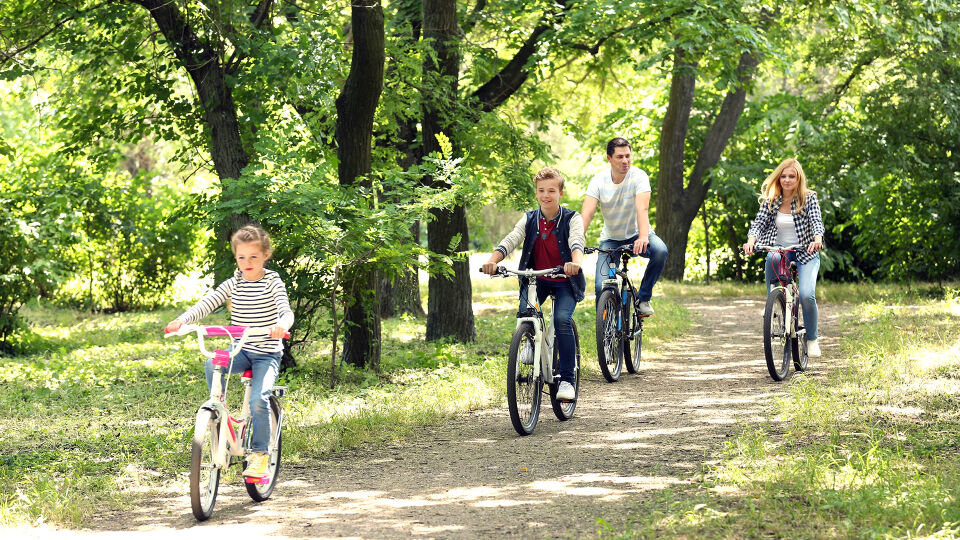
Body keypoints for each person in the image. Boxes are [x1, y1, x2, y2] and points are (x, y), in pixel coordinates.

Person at [165, 225, 294, 477]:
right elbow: (208, 303)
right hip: (240, 349)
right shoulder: (234, 282)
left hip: (266, 353)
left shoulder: (272, 281)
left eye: (253, 257)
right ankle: (219, 412)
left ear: (265, 255)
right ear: (236, 257)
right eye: (241, 257)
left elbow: (285, 309)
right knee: (213, 361)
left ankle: (260, 455)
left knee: (259, 400)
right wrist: (182, 321)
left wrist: (281, 325)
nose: (247, 262)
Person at [482, 168, 586, 401]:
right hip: (536, 278)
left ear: (560, 192)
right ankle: (530, 339)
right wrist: (492, 261)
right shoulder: (529, 218)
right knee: (525, 313)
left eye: (551, 190)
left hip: (564, 279)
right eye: (541, 191)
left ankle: (567, 380)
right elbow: (512, 239)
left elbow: (576, 241)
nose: (546, 195)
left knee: (561, 320)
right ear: (536, 192)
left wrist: (575, 262)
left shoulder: (572, 218)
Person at [742, 158, 824, 357]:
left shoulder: (809, 198)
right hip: (780, 249)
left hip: (806, 250)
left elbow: (816, 222)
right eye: (784, 176)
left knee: (806, 295)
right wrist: (751, 241)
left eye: (792, 177)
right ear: (779, 178)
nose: (787, 180)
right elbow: (759, 224)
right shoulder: (772, 199)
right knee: (772, 258)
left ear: (798, 179)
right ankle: (774, 301)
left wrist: (817, 239)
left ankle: (812, 338)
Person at [581, 137, 668, 315]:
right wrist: (576, 241)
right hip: (611, 239)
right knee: (601, 285)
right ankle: (607, 329)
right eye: (620, 157)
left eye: (628, 156)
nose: (625, 161)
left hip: (638, 235)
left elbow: (642, 208)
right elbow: (587, 213)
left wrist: (643, 236)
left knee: (660, 251)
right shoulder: (598, 181)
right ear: (609, 158)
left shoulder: (639, 176)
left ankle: (643, 299)